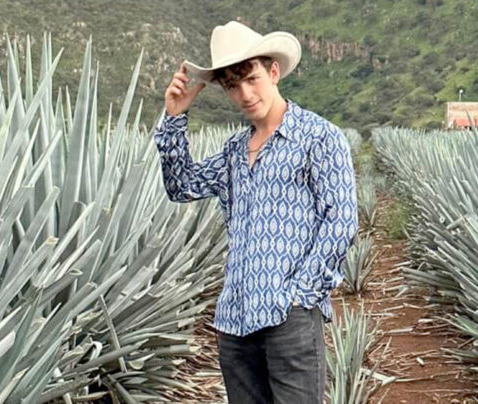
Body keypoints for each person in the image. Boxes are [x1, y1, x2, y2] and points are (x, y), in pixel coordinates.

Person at [152, 20, 358, 404]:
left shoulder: (319, 137)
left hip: (289, 318)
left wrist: (299, 297)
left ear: (274, 71)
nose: (245, 93)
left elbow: (341, 221)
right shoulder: (234, 151)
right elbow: (181, 186)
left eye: (252, 78)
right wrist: (175, 117)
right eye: (233, 85)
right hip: (234, 322)